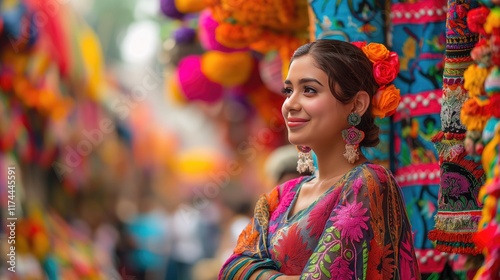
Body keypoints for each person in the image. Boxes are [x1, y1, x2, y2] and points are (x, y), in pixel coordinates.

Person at [218, 39, 420, 280]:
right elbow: (231, 268)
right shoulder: (279, 198)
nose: (290, 104)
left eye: (309, 90)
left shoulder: (368, 184)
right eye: (289, 90)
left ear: (357, 105)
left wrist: (259, 274)